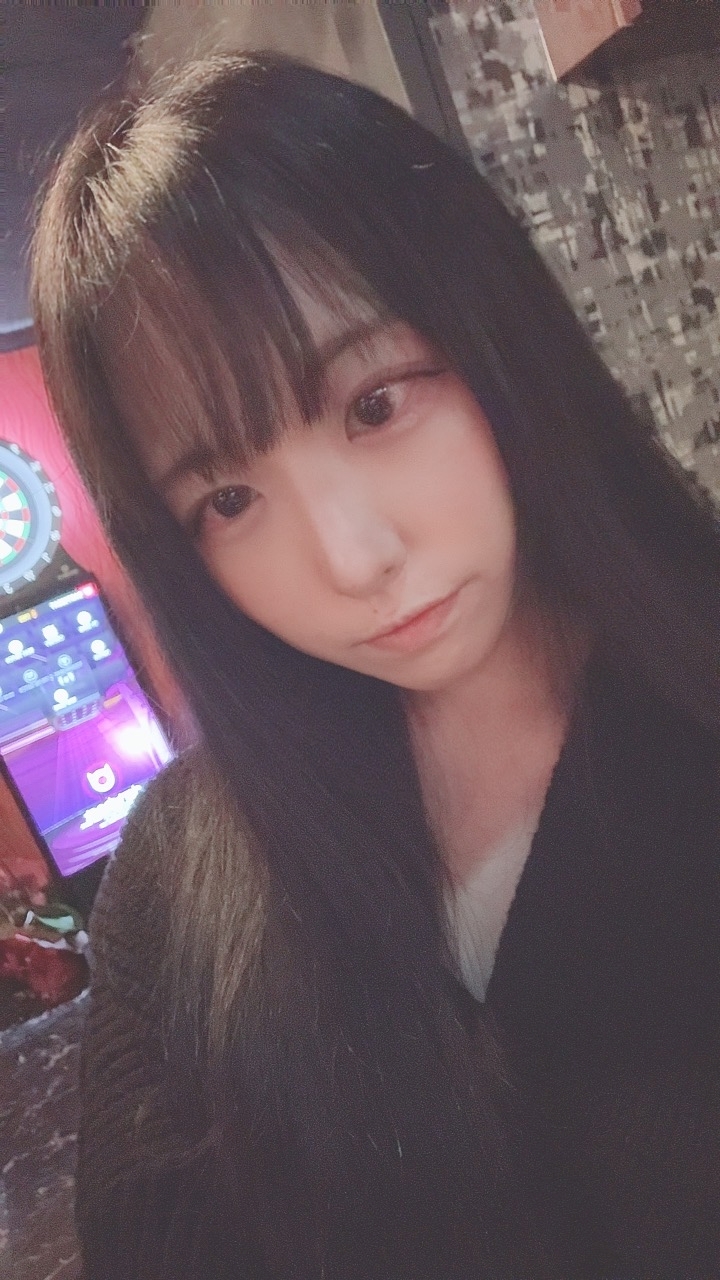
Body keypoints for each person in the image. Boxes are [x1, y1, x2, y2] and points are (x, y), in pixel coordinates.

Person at [31, 54, 720, 1280]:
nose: (354, 560)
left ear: (492, 332)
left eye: (376, 404)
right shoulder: (181, 886)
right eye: (228, 499)